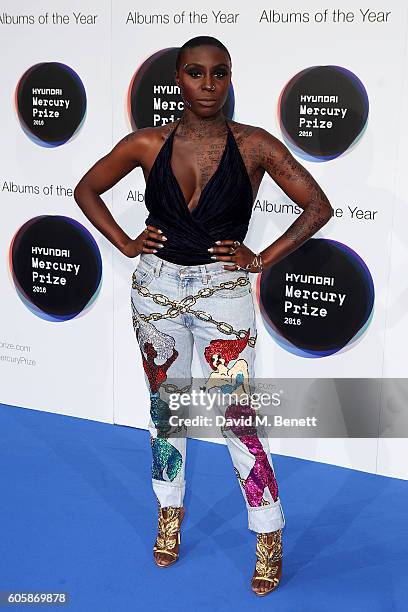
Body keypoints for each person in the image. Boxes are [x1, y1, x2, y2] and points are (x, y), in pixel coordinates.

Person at [74, 35, 334, 596]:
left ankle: (268, 533)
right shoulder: (147, 143)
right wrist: (123, 242)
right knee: (167, 413)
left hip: (224, 297)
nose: (209, 84)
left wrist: (260, 258)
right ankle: (169, 515)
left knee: (237, 419)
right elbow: (86, 189)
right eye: (196, 73)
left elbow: (318, 206)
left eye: (220, 73)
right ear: (179, 79)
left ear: (231, 77)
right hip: (156, 292)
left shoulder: (255, 145)